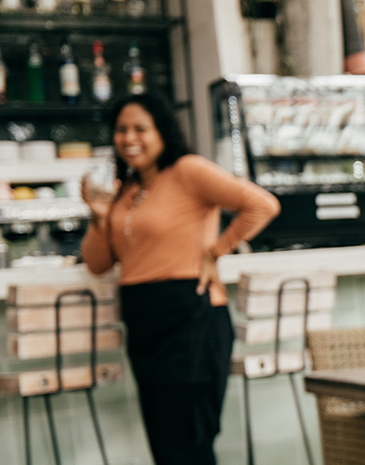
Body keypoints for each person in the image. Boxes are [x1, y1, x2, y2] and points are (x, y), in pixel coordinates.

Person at [80, 93, 280, 464]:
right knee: (165, 451)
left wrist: (216, 250)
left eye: (141, 128)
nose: (128, 138)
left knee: (187, 447)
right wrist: (99, 216)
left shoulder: (188, 171)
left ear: (163, 132)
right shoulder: (126, 192)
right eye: (121, 130)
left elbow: (262, 204)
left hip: (191, 321)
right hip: (143, 326)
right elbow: (97, 263)